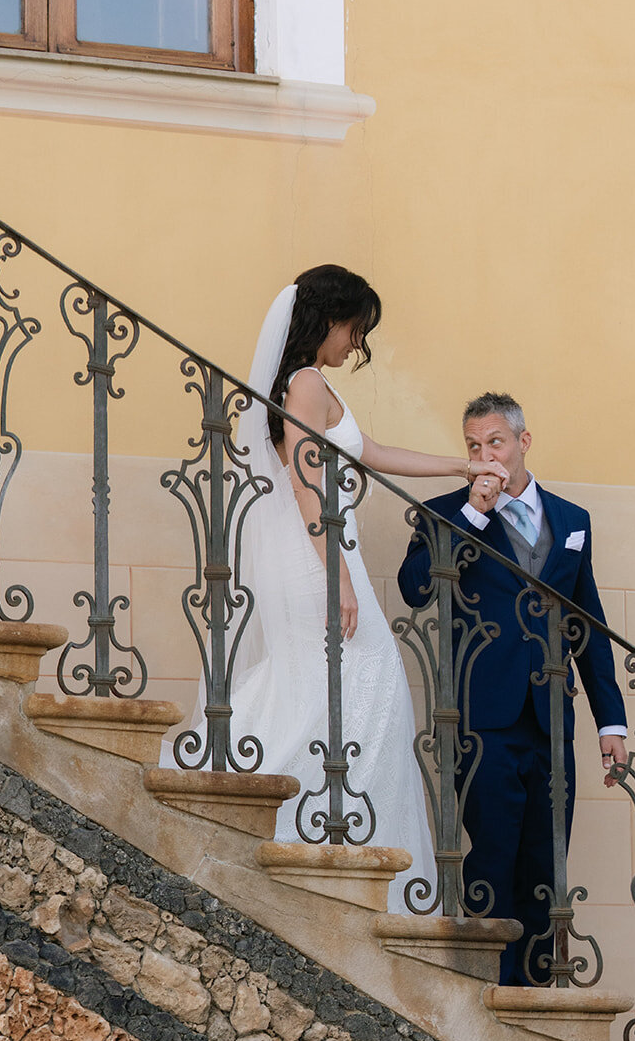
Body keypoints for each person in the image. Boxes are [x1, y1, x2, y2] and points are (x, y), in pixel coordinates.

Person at [189, 266, 503, 912]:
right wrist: (335, 574)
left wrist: (461, 463)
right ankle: (252, 804)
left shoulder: (311, 385)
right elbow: (307, 479)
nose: (356, 345)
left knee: (331, 688)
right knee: (353, 686)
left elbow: (371, 451)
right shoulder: (304, 384)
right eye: (355, 329)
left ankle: (325, 831)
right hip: (318, 553)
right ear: (330, 319)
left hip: (323, 549)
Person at [397, 392, 628, 984]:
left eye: (494, 443)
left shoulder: (573, 522)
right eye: (473, 446)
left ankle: (535, 999)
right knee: (490, 863)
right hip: (482, 722)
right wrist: (473, 516)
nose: (484, 456)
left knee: (546, 868)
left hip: (552, 721)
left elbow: (588, 624)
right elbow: (415, 588)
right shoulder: (445, 512)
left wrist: (611, 722)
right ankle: (486, 1000)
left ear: (523, 442)